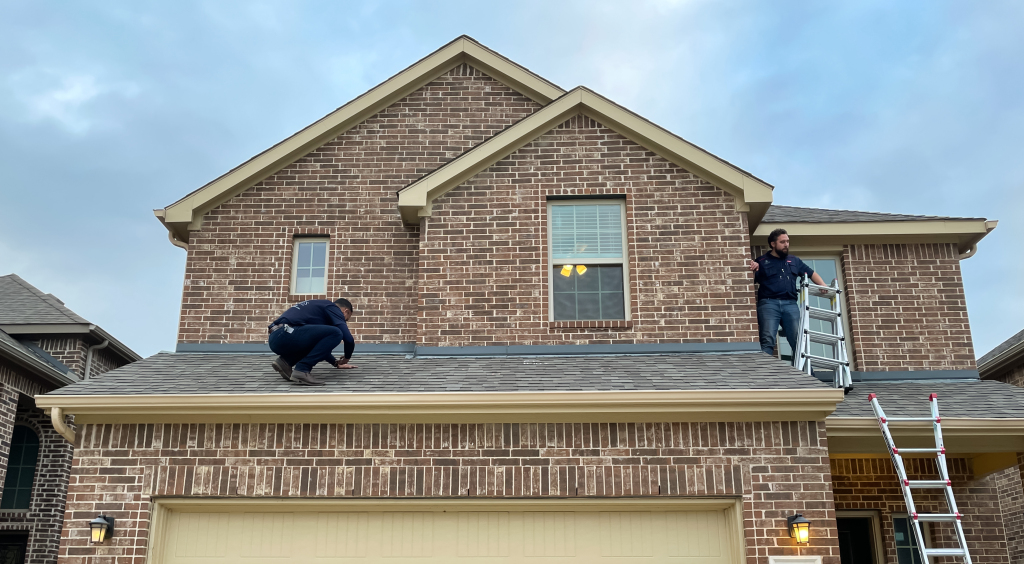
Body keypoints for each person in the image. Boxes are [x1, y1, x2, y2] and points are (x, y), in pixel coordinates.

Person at [749, 229, 829, 357]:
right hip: (769, 304)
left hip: (790, 304)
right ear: (773, 244)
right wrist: (753, 268)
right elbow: (749, 281)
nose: (786, 244)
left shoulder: (794, 261)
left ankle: (806, 374)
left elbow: (811, 273)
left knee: (797, 341)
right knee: (767, 340)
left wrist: (823, 285)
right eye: (782, 242)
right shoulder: (762, 261)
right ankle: (763, 373)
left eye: (787, 241)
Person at [267, 298, 358, 386]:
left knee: (320, 337)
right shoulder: (332, 307)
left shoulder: (318, 310)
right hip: (286, 333)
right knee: (337, 332)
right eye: (346, 319)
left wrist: (335, 363)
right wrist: (347, 357)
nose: (343, 321)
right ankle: (302, 370)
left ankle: (285, 362)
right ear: (345, 311)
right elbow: (348, 339)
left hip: (276, 338)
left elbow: (318, 345)